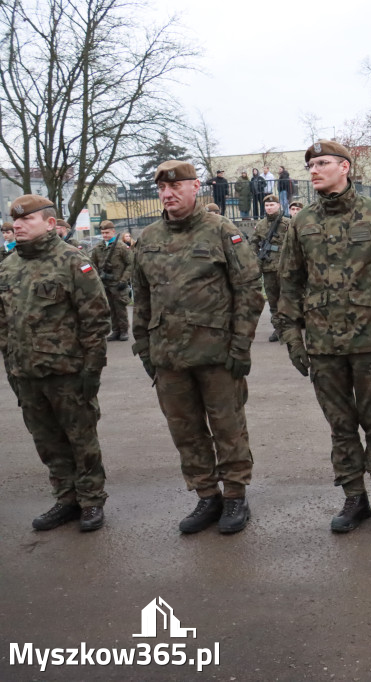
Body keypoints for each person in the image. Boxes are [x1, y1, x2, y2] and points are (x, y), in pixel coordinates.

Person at [277, 140, 371, 534]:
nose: (314, 171)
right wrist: (291, 335)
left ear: (345, 167)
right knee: (340, 427)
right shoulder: (302, 223)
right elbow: (290, 281)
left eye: (322, 163)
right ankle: (354, 498)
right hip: (323, 346)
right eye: (310, 165)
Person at [132, 160, 264, 534]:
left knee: (228, 426)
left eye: (175, 187)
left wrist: (241, 346)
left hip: (217, 353)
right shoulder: (149, 238)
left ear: (195, 188)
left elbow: (250, 290)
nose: (167, 194)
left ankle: (236, 495)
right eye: (162, 189)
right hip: (168, 356)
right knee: (185, 430)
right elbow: (141, 297)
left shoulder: (222, 231)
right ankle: (207, 495)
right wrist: (144, 346)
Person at [0, 194, 111, 531]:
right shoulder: (7, 267)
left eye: (26, 220)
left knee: (81, 438)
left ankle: (91, 500)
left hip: (67, 373)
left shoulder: (72, 262)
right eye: (15, 221)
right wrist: (11, 369)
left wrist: (91, 371)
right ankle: (66, 498)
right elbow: (4, 324)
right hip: (26, 372)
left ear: (49, 223)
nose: (17, 225)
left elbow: (96, 321)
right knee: (46, 440)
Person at [250, 194, 290, 342]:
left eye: (272, 205)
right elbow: (253, 243)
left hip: (284, 267)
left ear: (278, 206)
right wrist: (255, 258)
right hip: (268, 269)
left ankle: (290, 330)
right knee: (273, 302)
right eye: (267, 205)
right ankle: (278, 329)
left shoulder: (288, 224)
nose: (269, 207)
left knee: (286, 299)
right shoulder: (260, 225)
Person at [91, 220, 132, 342]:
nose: (105, 235)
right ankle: (115, 330)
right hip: (105, 284)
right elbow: (93, 264)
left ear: (113, 232)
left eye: (107, 232)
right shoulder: (98, 248)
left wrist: (124, 280)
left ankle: (124, 331)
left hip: (118, 283)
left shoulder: (121, 247)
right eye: (103, 233)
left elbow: (130, 264)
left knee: (120, 309)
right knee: (110, 309)